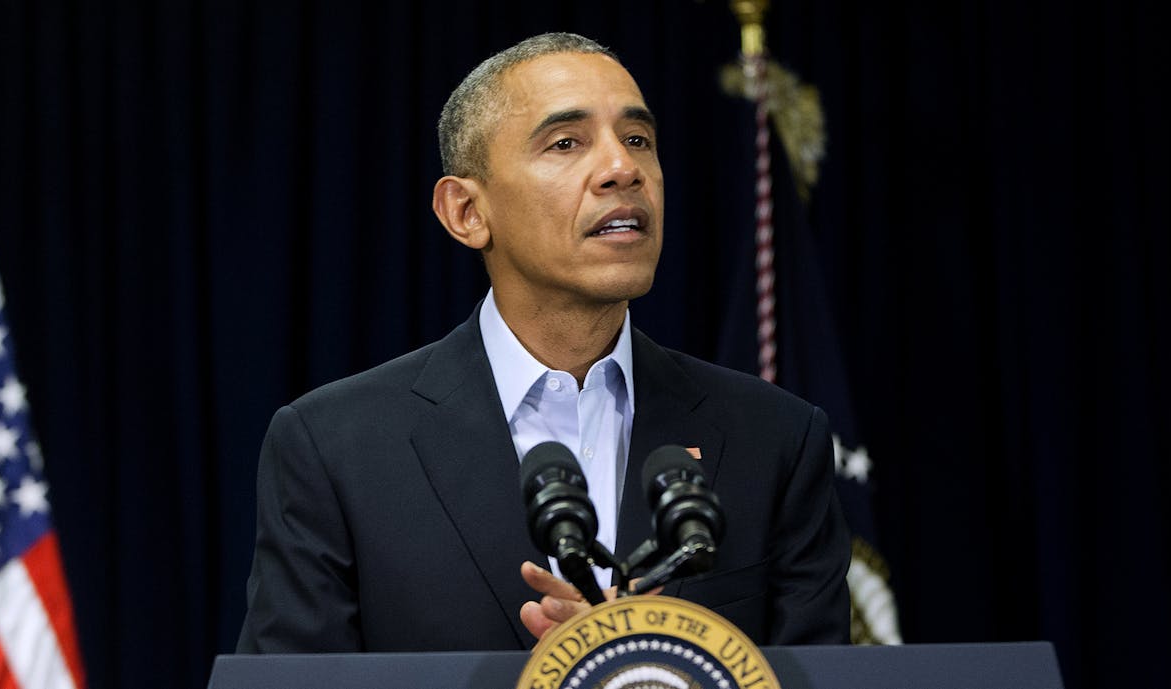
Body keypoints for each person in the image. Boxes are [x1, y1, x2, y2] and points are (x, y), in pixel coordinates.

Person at [236, 32, 850, 653]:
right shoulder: (335, 448)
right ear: (466, 213)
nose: (622, 169)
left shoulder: (776, 438)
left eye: (638, 140)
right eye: (566, 143)